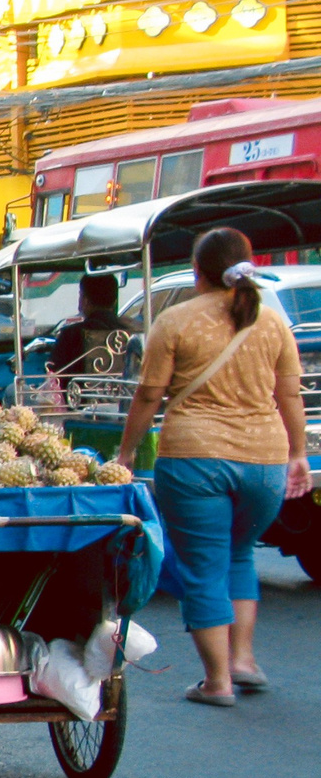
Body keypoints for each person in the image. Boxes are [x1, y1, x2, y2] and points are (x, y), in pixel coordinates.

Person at [117, 227, 312, 704]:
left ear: (197, 271)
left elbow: (149, 395)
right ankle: (243, 660)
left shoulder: (175, 320)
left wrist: (126, 453)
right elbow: (290, 395)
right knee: (240, 554)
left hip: (195, 459)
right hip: (264, 462)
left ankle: (218, 681)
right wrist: (298, 454)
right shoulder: (272, 322)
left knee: (203, 566)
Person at [47, 272, 142, 385]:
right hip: (127, 394)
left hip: (79, 395)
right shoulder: (133, 334)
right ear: (115, 301)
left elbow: (54, 377)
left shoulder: (70, 335)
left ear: (84, 300)